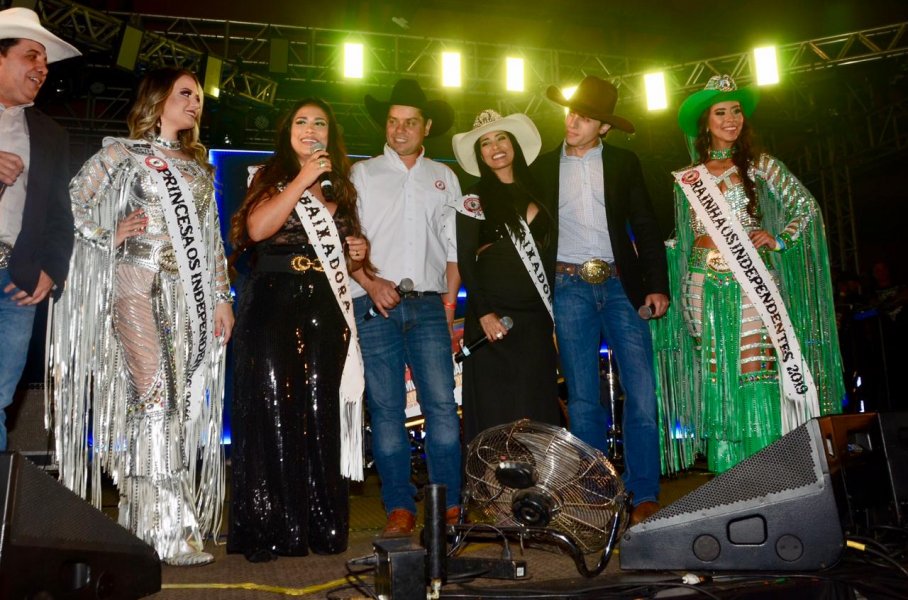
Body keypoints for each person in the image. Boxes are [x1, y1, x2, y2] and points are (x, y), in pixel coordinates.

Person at [48, 68, 234, 566]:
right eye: (185, 93)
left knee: (176, 408)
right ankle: (167, 532)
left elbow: (211, 242)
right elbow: (69, 202)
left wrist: (221, 297)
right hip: (137, 286)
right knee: (154, 399)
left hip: (186, 297)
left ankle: (142, 523)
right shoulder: (122, 154)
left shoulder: (198, 169)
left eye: (199, 96)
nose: (195, 102)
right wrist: (107, 234)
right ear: (158, 98)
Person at [655, 74, 844, 474]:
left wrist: (779, 239)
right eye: (721, 112)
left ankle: (769, 470)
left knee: (755, 370)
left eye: (736, 111)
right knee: (715, 373)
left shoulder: (763, 166)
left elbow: (806, 209)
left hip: (751, 281)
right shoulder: (688, 178)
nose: (731, 119)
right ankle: (730, 478)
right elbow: (685, 235)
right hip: (700, 282)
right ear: (706, 123)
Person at [227, 98, 371, 562]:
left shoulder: (341, 187)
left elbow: (345, 260)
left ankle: (321, 525)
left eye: (320, 123)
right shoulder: (267, 177)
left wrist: (358, 253)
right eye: (302, 122)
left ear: (331, 134)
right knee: (275, 407)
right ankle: (272, 529)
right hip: (274, 300)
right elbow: (256, 229)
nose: (311, 129)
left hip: (325, 305)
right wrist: (302, 178)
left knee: (320, 408)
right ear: (287, 131)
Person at [533, 75, 669, 525]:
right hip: (568, 283)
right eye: (571, 112)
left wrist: (656, 284)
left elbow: (645, 224)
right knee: (582, 398)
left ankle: (644, 492)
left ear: (604, 127)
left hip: (620, 285)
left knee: (642, 393)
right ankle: (595, 493)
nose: (573, 121)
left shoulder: (625, 163)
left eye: (586, 117)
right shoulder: (542, 166)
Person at [351, 79, 462, 536]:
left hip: (431, 306)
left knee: (442, 406)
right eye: (393, 121)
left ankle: (449, 505)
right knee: (386, 409)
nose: (399, 129)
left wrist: (449, 308)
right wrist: (369, 282)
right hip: (374, 304)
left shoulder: (445, 177)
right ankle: (399, 507)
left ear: (427, 126)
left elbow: (454, 251)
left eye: (410, 122)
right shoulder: (361, 174)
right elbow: (345, 242)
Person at [451, 109, 560, 444]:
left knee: (536, 405)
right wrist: (484, 312)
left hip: (536, 318)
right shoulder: (473, 198)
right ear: (480, 154)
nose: (495, 147)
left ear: (513, 144)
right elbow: (465, 260)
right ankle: (492, 477)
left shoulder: (541, 190)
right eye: (485, 143)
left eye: (501, 138)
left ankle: (537, 477)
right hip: (494, 317)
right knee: (496, 409)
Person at [0, 7, 79, 451]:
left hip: (17, 284)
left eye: (45, 61)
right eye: (31, 55)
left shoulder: (50, 133)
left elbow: (59, 216)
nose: (42, 68)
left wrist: (52, 269)